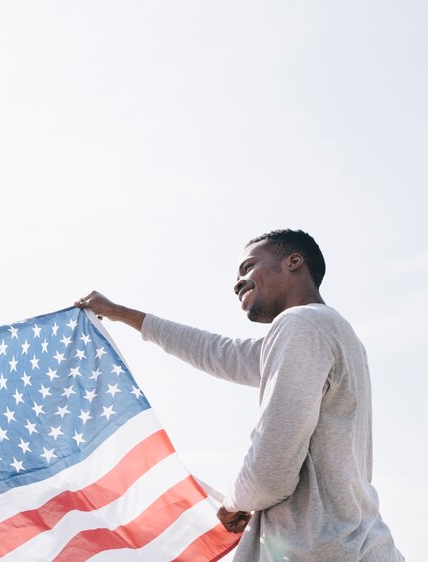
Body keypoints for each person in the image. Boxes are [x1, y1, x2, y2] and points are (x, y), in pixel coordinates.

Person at [75, 229, 403, 561]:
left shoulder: (300, 325)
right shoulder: (324, 331)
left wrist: (235, 502)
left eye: (248, 267)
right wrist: (124, 315)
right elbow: (218, 352)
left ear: (293, 262)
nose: (237, 283)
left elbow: (272, 466)